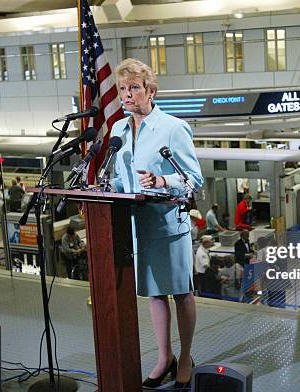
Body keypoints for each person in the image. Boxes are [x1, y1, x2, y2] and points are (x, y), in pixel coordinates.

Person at [110, 58, 203, 389]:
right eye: (123, 88)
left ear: (151, 91)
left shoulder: (173, 128)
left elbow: (193, 180)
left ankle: (187, 356)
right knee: (153, 294)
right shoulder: (118, 130)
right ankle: (165, 358)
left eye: (134, 87)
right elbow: (118, 180)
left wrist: (163, 181)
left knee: (180, 292)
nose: (127, 95)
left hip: (168, 225)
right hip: (136, 226)